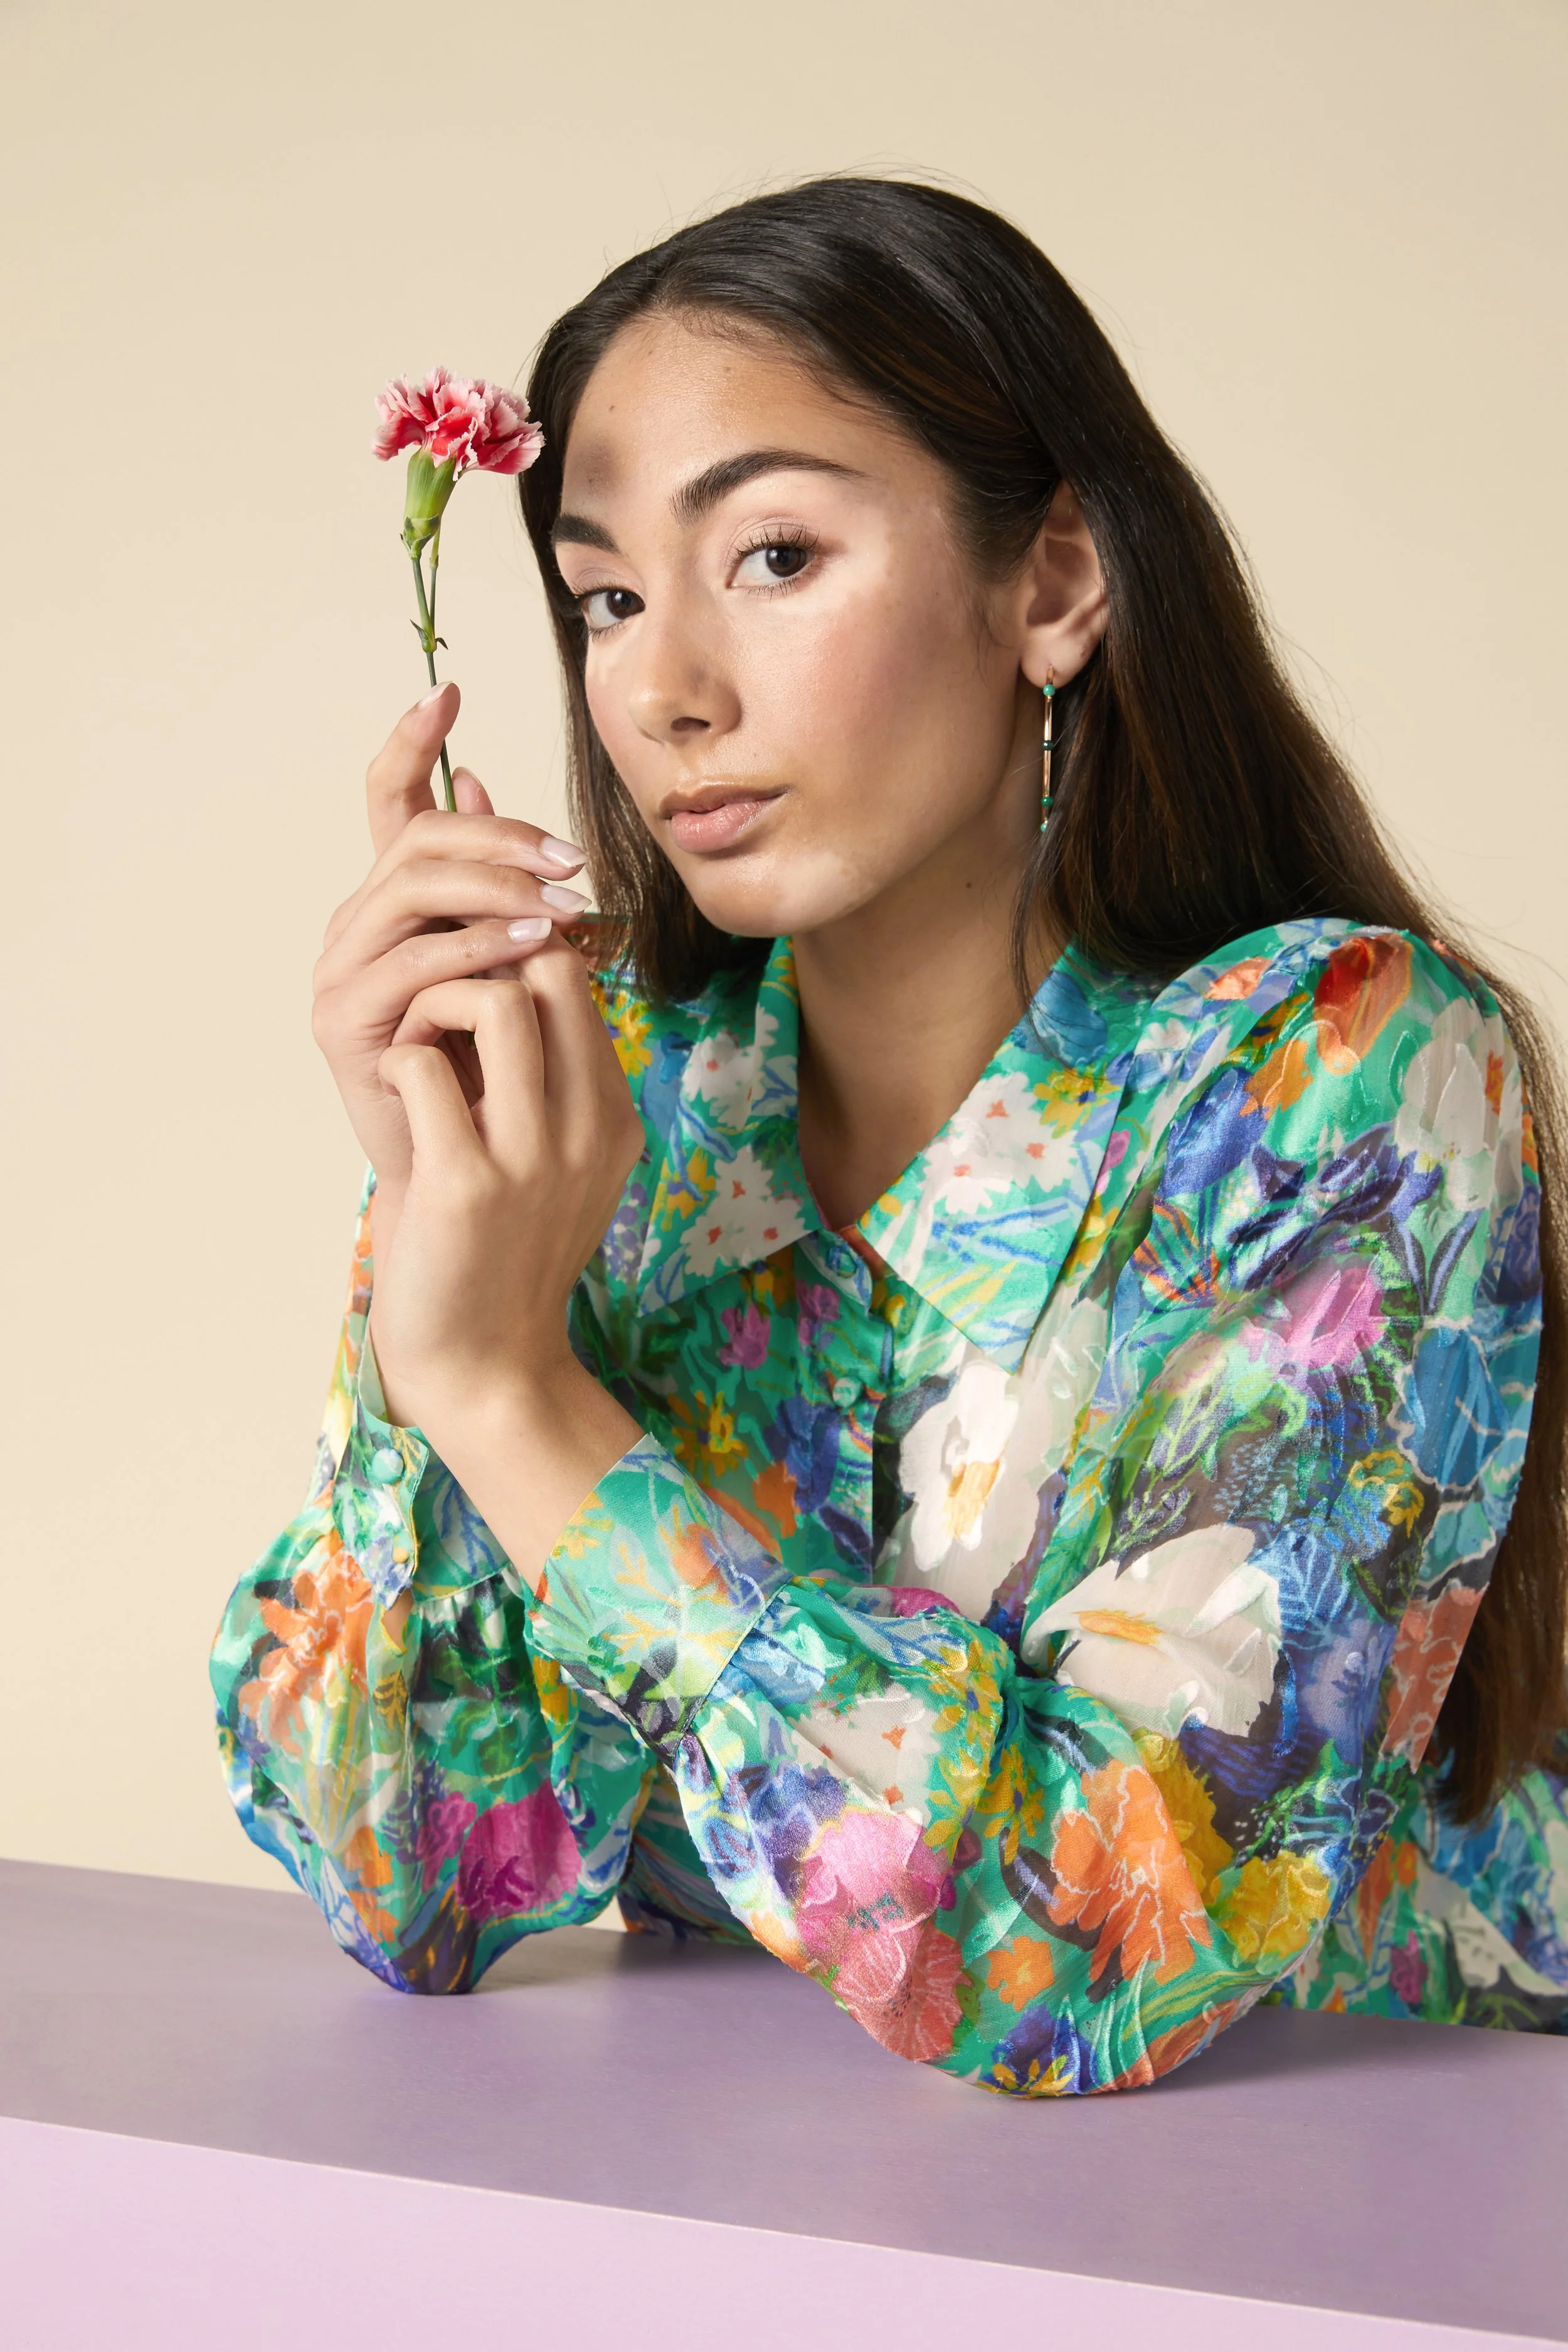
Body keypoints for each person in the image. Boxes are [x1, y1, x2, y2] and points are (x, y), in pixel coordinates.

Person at [211, 179, 1568, 2091]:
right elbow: (410, 1872)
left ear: (1055, 583)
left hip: (1354, 2229)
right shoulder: (618, 1105)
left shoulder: (1330, 1077)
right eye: (606, 597)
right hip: (772, 2232)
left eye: (771, 555)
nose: (662, 690)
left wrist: (525, 1407)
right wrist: (435, 1291)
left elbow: (1082, 1961)